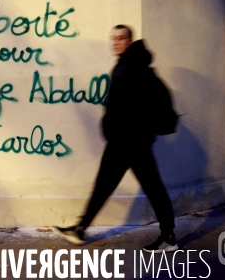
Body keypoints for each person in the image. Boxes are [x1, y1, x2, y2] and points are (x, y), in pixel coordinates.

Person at [52, 24, 177, 253]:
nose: (116, 42)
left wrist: (119, 127)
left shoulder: (135, 67)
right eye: (114, 38)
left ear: (130, 41)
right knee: (105, 186)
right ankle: (80, 228)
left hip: (131, 141)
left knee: (151, 188)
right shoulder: (126, 64)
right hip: (125, 140)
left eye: (121, 38)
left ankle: (168, 236)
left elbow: (132, 106)